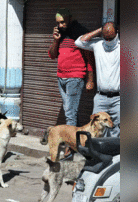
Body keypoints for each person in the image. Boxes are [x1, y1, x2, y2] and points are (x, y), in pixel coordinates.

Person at [48, 8, 95, 156]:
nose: (60, 25)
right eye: (58, 23)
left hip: (75, 78)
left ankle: (70, 147)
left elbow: (89, 58)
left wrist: (90, 80)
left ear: (69, 19)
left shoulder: (80, 33)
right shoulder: (60, 35)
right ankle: (79, 142)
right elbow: (52, 55)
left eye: (63, 22)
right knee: (72, 113)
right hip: (61, 77)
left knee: (69, 113)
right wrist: (56, 40)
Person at [75, 22, 120, 137]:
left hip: (118, 99)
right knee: (95, 129)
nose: (108, 41)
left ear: (117, 34)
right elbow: (79, 42)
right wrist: (100, 30)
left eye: (111, 38)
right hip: (101, 98)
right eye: (106, 38)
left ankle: (113, 154)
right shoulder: (98, 45)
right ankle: (98, 154)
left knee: (117, 130)